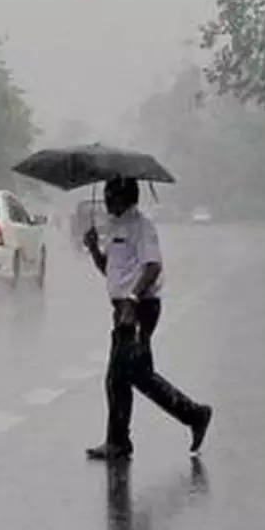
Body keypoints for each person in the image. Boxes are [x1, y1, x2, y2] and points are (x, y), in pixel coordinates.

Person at [82, 177, 212, 461]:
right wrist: (94, 250)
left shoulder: (142, 227)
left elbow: (152, 266)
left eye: (110, 194)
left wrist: (132, 299)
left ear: (126, 196)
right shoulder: (116, 228)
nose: (105, 200)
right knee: (128, 376)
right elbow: (113, 272)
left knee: (123, 375)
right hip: (123, 308)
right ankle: (188, 416)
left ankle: (190, 416)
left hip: (139, 308)